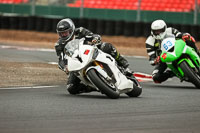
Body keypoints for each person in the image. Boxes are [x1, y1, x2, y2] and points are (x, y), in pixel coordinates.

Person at [55, 18, 133, 94]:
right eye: (61, 33)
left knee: (107, 46)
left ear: (71, 30)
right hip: (77, 62)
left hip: (90, 50)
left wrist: (95, 38)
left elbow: (92, 35)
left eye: (66, 32)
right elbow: (61, 59)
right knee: (71, 88)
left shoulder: (80, 31)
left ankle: (123, 64)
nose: (64, 35)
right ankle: (93, 86)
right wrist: (65, 67)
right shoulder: (59, 45)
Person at [145, 19, 199, 83]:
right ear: (152, 31)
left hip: (177, 48)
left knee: (189, 39)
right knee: (156, 77)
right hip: (164, 58)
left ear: (164, 28)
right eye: (156, 31)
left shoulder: (170, 30)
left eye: (160, 30)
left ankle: (198, 54)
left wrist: (185, 35)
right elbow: (151, 58)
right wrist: (155, 60)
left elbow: (180, 35)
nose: (158, 33)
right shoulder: (149, 41)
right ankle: (172, 73)